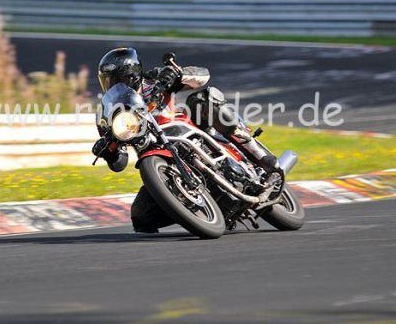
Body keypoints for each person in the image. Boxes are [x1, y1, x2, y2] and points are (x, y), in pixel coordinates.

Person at [92, 47, 279, 233]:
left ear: (132, 74)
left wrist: (177, 74)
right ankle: (198, 211)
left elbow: (203, 76)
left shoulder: (153, 79)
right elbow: (119, 164)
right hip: (157, 155)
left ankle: (258, 154)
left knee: (203, 99)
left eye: (117, 79)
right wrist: (109, 152)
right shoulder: (107, 113)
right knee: (141, 216)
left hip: (184, 130)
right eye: (108, 81)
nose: (113, 85)